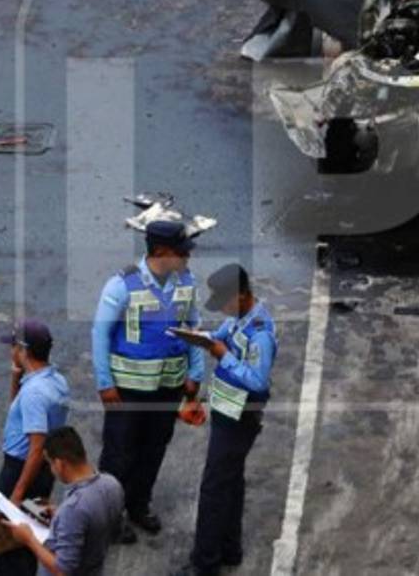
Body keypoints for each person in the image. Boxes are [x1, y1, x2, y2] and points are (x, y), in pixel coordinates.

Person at [91, 220, 204, 541]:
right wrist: (105, 383)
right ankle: (110, 518)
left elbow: (192, 327)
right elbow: (100, 333)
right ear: (160, 252)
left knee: (154, 449)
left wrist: (195, 374)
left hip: (168, 386)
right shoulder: (121, 285)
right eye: (181, 252)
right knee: (119, 454)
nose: (187, 258)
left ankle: (139, 505)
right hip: (127, 389)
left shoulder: (186, 282)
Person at [181, 264, 277, 576]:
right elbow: (218, 336)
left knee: (213, 488)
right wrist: (200, 339)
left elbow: (257, 381)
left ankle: (205, 563)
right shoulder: (238, 319)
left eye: (224, 302)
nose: (222, 309)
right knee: (231, 482)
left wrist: (223, 355)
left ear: (242, 296)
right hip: (227, 410)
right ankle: (229, 549)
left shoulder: (260, 333)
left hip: (240, 417)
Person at [0, 320, 70, 576]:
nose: (11, 351)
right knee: (32, 534)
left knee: (7, 541)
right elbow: (20, 408)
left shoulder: (35, 393)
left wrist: (16, 493)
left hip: (21, 468)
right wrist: (17, 376)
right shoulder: (55, 380)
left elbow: (36, 447)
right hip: (42, 470)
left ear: (24, 351)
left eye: (14, 346)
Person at [2, 427, 124, 576]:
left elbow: (62, 570)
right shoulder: (112, 484)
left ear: (59, 464)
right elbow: (106, 525)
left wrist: (28, 539)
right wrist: (60, 517)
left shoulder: (73, 509)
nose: (52, 470)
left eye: (50, 464)